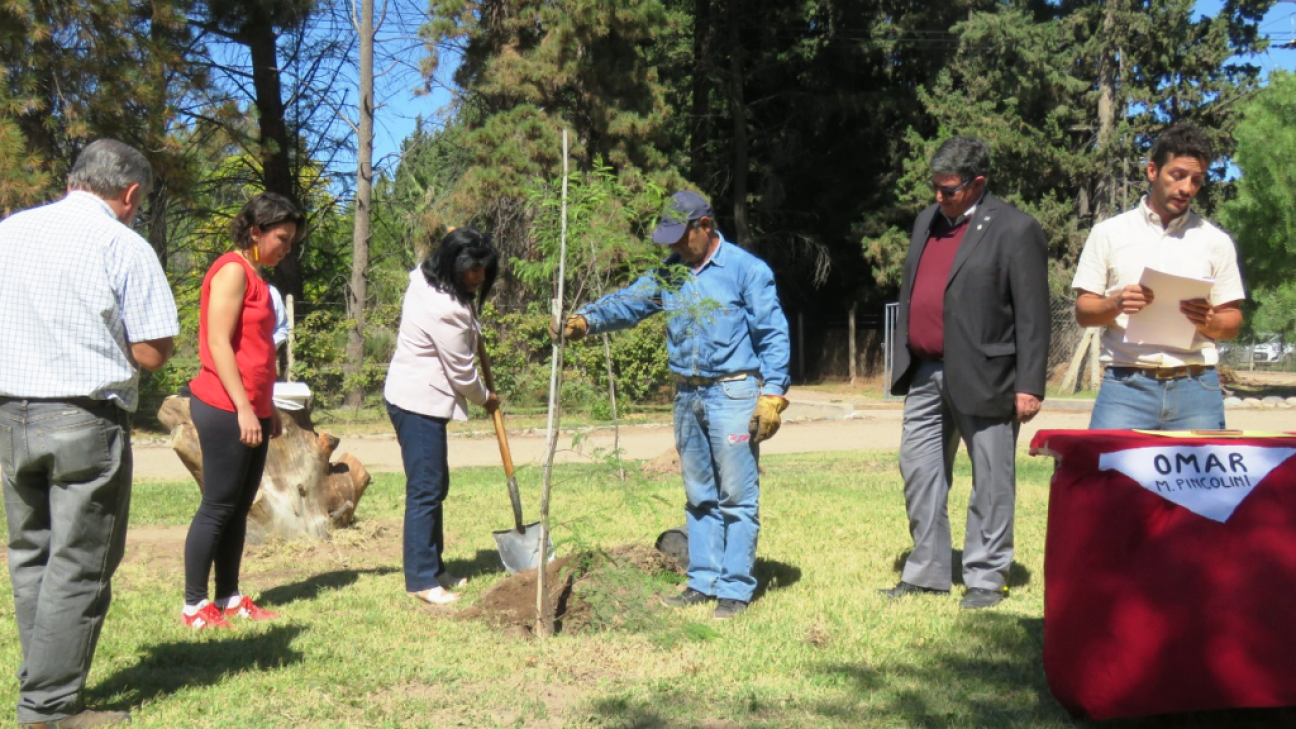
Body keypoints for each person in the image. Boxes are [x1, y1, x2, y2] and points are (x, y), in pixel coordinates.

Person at [0, 139, 179, 727]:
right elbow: (153, 352)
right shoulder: (121, 243)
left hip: (9, 411)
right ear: (129, 194)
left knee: (32, 554)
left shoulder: (10, 232)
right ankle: (49, 710)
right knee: (78, 563)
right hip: (82, 416)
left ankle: (42, 686)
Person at [555, 191, 791, 620]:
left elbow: (773, 332)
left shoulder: (746, 271)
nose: (677, 248)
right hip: (686, 395)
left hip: (733, 393)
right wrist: (585, 320)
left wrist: (773, 394)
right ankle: (703, 581)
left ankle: (735, 590)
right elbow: (629, 301)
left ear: (705, 226)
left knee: (736, 496)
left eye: (683, 238)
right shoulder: (670, 274)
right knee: (699, 496)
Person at [883, 136, 1049, 610]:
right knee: (918, 471)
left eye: (949, 189)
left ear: (977, 184)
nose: (939, 197)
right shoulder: (926, 222)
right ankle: (927, 572)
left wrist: (1030, 384)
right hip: (925, 372)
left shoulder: (1016, 229)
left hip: (987, 375)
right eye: (934, 186)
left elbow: (1033, 314)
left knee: (991, 481)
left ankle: (985, 578)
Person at [182, 192, 304, 629]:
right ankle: (195, 606)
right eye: (281, 238)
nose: (286, 249)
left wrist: (264, 406)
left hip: (251, 405)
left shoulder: (256, 276)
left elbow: (257, 353)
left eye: (291, 242)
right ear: (255, 231)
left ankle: (229, 596)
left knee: (238, 505)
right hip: (222, 405)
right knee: (217, 505)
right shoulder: (233, 271)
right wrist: (243, 410)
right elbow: (219, 343)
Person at [1072, 124, 1244, 430]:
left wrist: (1210, 321)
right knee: (1111, 476)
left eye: (1197, 180)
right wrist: (1117, 303)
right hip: (1125, 386)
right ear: (1152, 171)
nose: (1186, 188)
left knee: (1198, 480)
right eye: (1177, 175)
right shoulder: (1109, 233)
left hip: (1197, 387)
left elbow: (1232, 321)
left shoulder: (1216, 241)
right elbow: (1084, 312)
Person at [385, 227, 501, 606]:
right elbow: (462, 375)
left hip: (416, 397)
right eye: (472, 270)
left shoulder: (425, 277)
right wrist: (487, 399)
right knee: (426, 490)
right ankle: (420, 579)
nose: (479, 278)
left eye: (484, 270)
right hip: (417, 401)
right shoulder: (446, 310)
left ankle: (433, 567)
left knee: (435, 486)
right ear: (452, 266)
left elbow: (428, 266)